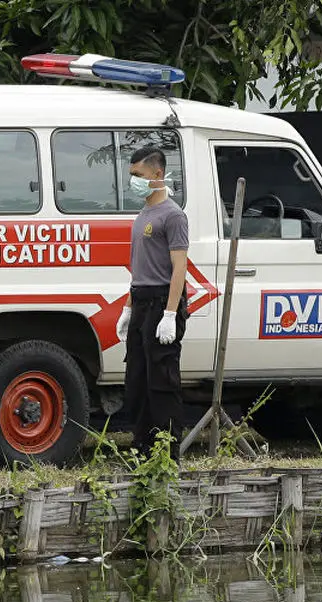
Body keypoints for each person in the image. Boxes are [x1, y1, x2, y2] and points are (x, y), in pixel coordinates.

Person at [114, 146, 189, 460]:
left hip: (162, 302)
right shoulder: (142, 215)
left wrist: (170, 313)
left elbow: (179, 268)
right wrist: (128, 308)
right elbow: (138, 267)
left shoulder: (173, 215)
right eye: (132, 175)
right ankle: (142, 448)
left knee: (162, 381)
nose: (134, 181)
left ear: (157, 174)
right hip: (142, 300)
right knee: (138, 378)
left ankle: (166, 453)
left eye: (138, 175)